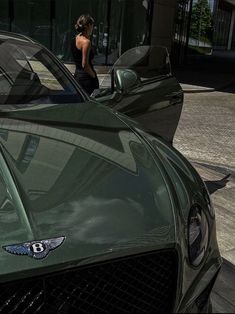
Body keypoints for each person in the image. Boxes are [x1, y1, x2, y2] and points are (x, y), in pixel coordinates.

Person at [71, 14, 99, 95]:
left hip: (77, 77)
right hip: (87, 79)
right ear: (88, 26)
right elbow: (85, 65)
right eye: (92, 25)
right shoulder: (86, 42)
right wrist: (93, 76)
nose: (93, 28)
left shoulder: (75, 39)